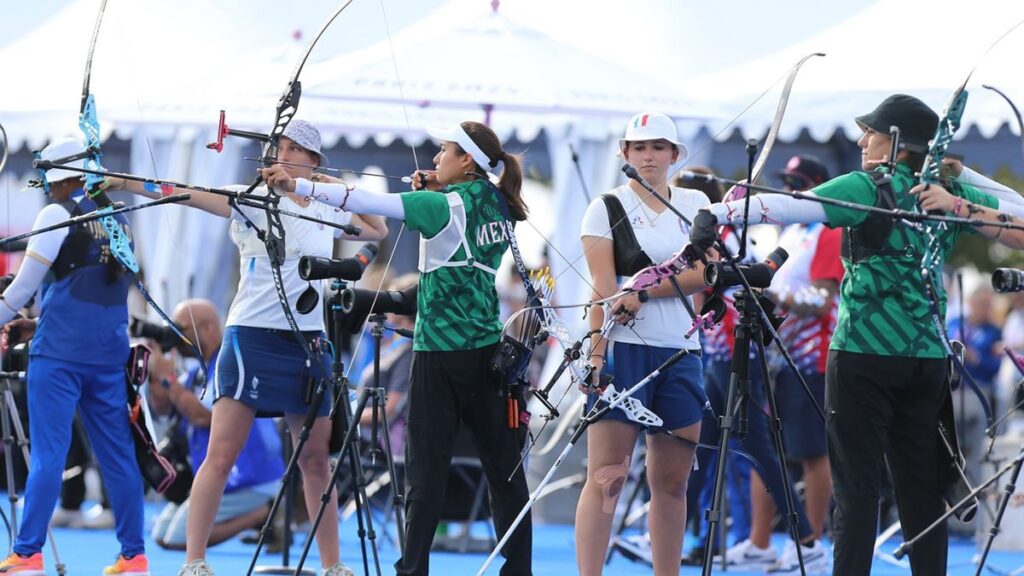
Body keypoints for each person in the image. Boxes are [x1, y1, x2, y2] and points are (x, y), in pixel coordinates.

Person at [685, 93, 1024, 575]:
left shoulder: (869, 185)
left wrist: (717, 214)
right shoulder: (945, 198)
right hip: (925, 360)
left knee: (858, 492)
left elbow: (792, 207)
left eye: (874, 133)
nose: (863, 140)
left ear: (897, 143)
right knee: (921, 492)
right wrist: (959, 193)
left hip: (863, 358)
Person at [105, 119, 388, 576]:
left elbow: (376, 229)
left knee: (317, 458)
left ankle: (333, 565)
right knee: (221, 455)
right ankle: (194, 561)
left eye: (296, 149)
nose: (283, 154)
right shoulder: (251, 198)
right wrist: (124, 182)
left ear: (314, 161)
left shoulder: (327, 201)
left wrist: (324, 184)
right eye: (280, 146)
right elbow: (179, 190)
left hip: (307, 341)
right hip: (251, 338)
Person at [260, 120, 533, 576]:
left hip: (438, 355)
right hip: (488, 353)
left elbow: (366, 202)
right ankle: (518, 571)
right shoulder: (498, 200)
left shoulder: (440, 203)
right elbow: (454, 203)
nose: (434, 160)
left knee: (425, 475)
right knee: (504, 471)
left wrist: (298, 184)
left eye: (443, 152)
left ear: (466, 160)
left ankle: (413, 571)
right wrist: (435, 186)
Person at [0, 136, 150, 575]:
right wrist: (37, 321)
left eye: (48, 176)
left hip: (60, 356)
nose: (46, 187)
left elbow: (19, 292)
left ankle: (27, 554)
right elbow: (87, 285)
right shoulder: (121, 220)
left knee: (49, 452)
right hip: (107, 356)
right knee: (118, 454)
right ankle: (134, 555)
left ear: (63, 176)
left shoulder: (56, 213)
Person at [574, 111, 709, 576]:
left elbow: (703, 274)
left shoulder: (694, 203)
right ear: (625, 155)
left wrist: (646, 291)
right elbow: (602, 286)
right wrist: (594, 356)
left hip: (682, 351)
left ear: (675, 155)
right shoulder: (605, 206)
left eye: (657, 147)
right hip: (624, 351)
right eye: (638, 148)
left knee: (673, 482)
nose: (648, 156)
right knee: (607, 478)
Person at [146, 299, 286, 551]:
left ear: (209, 328)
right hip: (227, 474)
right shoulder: (198, 370)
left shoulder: (229, 364)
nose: (177, 337)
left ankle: (266, 512)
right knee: (161, 534)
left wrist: (168, 379)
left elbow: (203, 416)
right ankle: (263, 514)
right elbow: (164, 410)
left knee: (179, 538)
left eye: (183, 330)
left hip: (249, 476)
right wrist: (156, 373)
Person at [761, 155, 840, 555]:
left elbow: (825, 299)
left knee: (811, 449)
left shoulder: (828, 230)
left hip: (812, 357)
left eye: (800, 183)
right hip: (777, 355)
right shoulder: (789, 229)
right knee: (766, 445)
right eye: (787, 182)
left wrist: (775, 296)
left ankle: (811, 542)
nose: (791, 190)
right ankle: (760, 543)